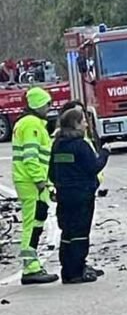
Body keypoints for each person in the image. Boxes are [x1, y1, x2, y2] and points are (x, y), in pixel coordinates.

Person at [49, 108, 111, 284]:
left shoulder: (58, 144)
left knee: (67, 232)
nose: (86, 123)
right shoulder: (81, 145)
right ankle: (77, 271)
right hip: (82, 195)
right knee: (80, 233)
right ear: (76, 124)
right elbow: (93, 167)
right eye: (83, 120)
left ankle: (67, 271)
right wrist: (105, 153)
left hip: (64, 195)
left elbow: (52, 173)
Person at [12, 87, 58, 284]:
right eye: (47, 103)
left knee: (36, 222)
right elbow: (31, 157)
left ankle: (33, 265)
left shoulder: (29, 123)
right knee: (32, 225)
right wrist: (41, 181)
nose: (49, 107)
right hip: (31, 182)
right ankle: (30, 268)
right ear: (38, 104)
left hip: (30, 181)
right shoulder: (31, 125)